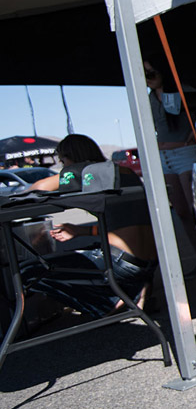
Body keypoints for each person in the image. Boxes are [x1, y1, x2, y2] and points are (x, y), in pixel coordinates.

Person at [20, 134, 157, 317]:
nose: (63, 167)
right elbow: (126, 224)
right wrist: (80, 230)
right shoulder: (123, 172)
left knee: (28, 271)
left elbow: (40, 186)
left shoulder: (88, 172)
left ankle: (108, 303)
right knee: (89, 250)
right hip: (149, 262)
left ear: (72, 158)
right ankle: (135, 289)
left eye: (63, 161)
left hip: (121, 263)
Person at [143, 56, 196, 257]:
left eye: (151, 73)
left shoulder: (183, 90)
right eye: (144, 75)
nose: (148, 78)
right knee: (182, 212)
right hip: (164, 158)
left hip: (185, 154)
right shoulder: (149, 98)